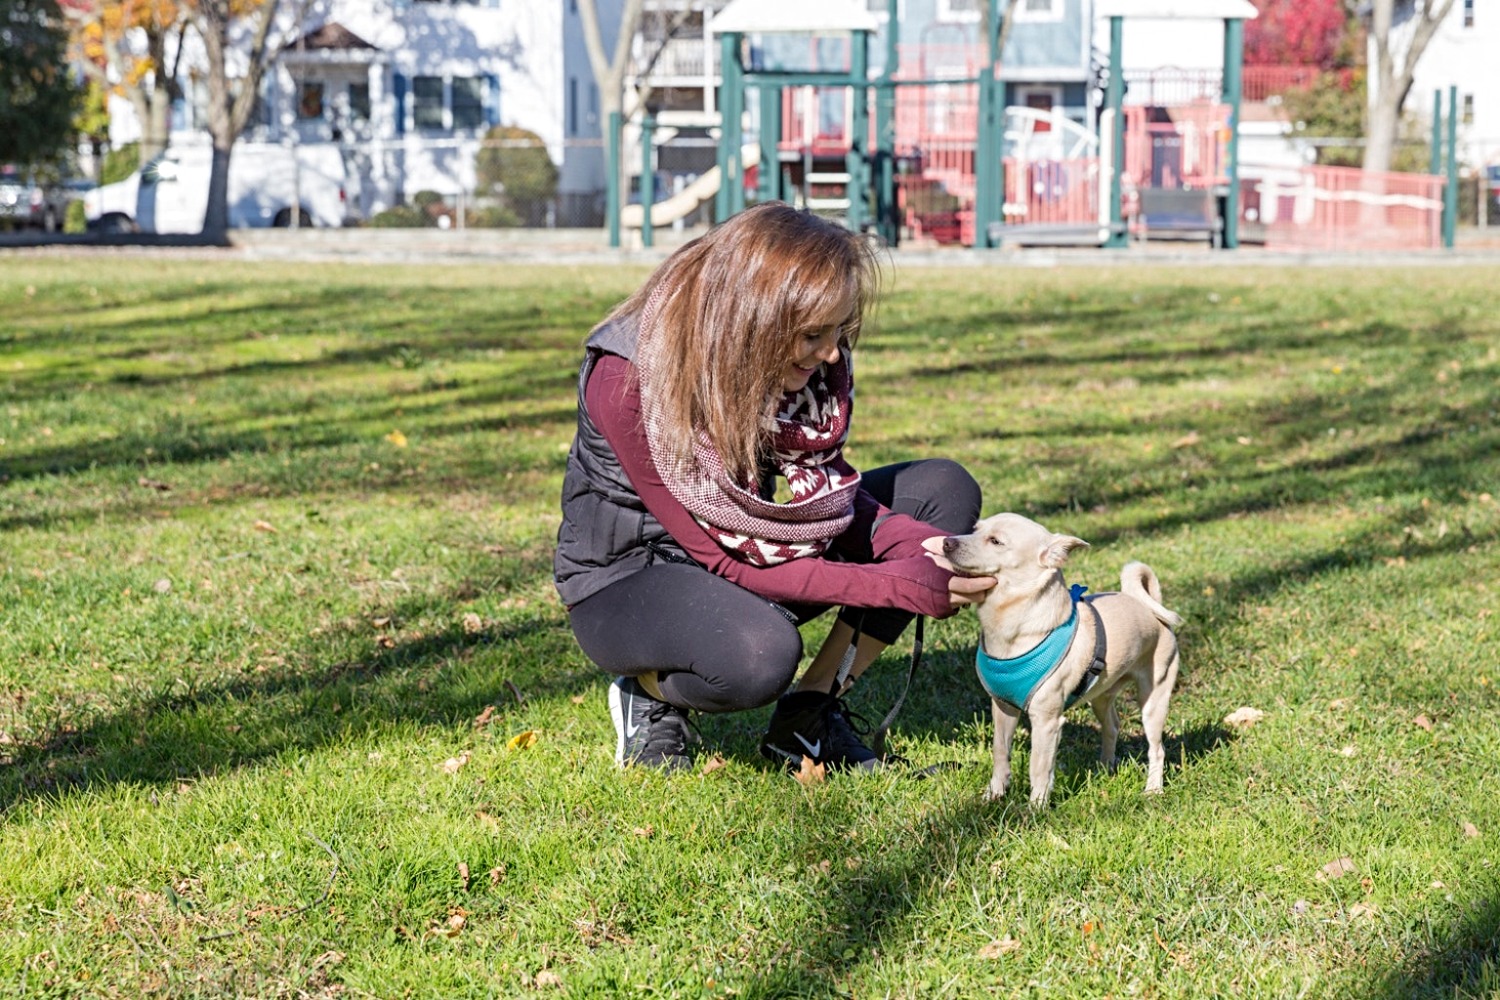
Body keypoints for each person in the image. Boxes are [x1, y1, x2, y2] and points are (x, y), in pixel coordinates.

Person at [553, 202, 993, 774]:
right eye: (814, 334)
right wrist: (898, 585)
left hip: (749, 541)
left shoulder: (771, 359)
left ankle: (808, 715)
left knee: (942, 491)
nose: (833, 354)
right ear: (754, 318)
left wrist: (912, 544)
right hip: (631, 579)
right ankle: (647, 694)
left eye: (840, 330)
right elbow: (726, 561)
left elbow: (826, 503)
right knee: (758, 655)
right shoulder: (628, 379)